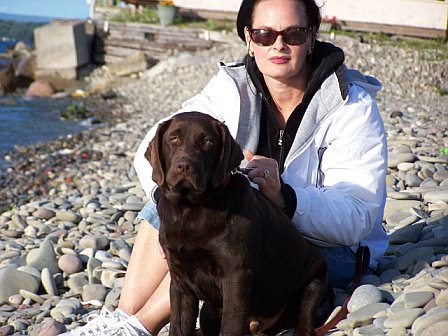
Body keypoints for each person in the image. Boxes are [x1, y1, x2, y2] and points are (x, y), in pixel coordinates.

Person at [61, 0, 388, 335]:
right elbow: (159, 143)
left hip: (321, 254)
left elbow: (358, 216)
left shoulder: (351, 105)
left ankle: (140, 325)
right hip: (244, 235)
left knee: (222, 248)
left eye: (293, 33)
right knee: (168, 201)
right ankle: (121, 319)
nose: (278, 44)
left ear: (311, 36)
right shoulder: (231, 87)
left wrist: (286, 198)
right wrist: (170, 190)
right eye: (264, 34)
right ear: (248, 37)